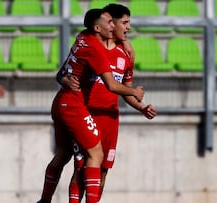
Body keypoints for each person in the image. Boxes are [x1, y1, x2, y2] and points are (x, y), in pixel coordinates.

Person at [37, 8, 144, 203]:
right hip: (79, 107)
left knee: (67, 155)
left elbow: (62, 72)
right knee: (90, 158)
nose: (116, 26)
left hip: (87, 109)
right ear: (98, 27)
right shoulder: (95, 49)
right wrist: (135, 92)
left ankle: (44, 201)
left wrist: (142, 106)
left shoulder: (83, 37)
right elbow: (112, 85)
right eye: (113, 22)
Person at [66, 4, 157, 202]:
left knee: (103, 171)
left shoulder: (126, 55)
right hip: (86, 114)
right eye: (124, 22)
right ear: (111, 23)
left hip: (110, 118)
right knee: (80, 167)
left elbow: (126, 90)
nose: (128, 27)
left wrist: (142, 107)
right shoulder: (89, 44)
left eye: (129, 23)